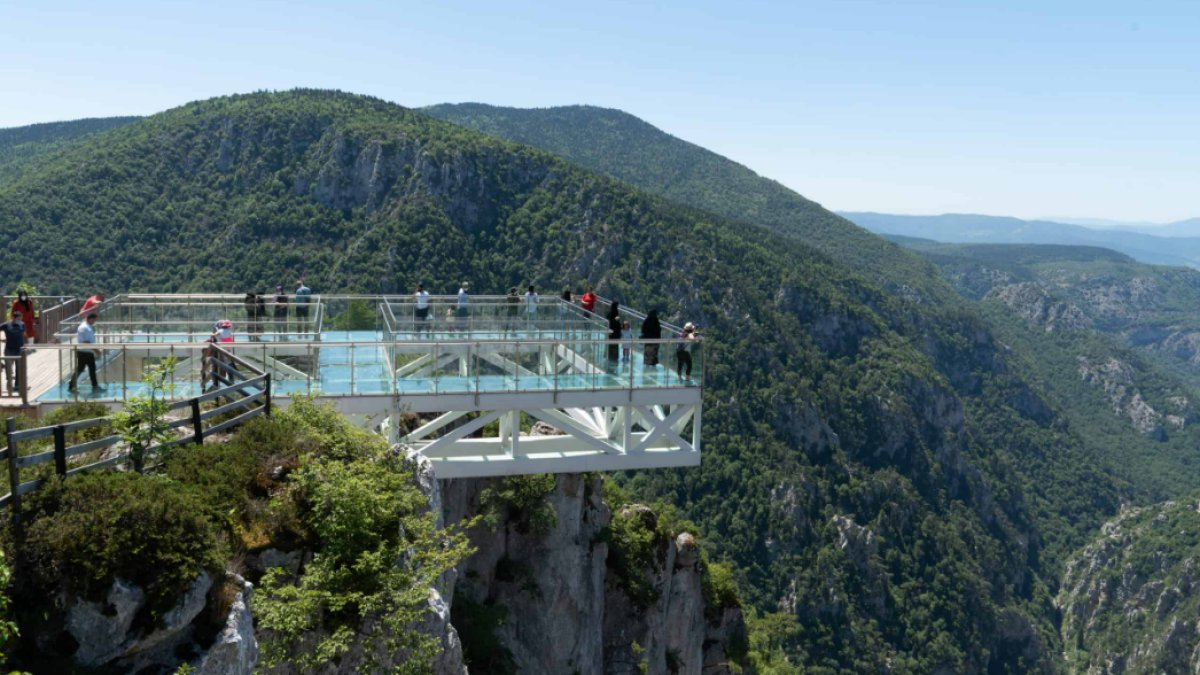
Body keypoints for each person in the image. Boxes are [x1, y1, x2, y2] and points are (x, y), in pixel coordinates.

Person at [68, 313, 103, 392]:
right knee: (81, 369)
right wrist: (96, 350)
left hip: (88, 351)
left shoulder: (88, 326)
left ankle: (94, 385)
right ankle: (72, 385)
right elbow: (86, 341)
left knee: (91, 369)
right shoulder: (84, 327)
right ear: (90, 319)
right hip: (84, 352)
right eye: (94, 320)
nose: (94, 322)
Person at [1, 310, 26, 395]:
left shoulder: (22, 324)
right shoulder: (6, 325)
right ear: (14, 317)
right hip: (9, 350)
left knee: (19, 368)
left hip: (19, 350)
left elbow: (22, 335)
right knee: (8, 368)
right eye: (19, 318)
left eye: (21, 318)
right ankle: (9, 383)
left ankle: (17, 385)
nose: (21, 320)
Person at [607, 301, 622, 367]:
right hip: (613, 333)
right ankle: (612, 358)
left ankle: (613, 358)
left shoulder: (613, 312)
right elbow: (609, 321)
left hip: (614, 333)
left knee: (614, 345)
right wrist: (615, 320)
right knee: (613, 345)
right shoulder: (612, 313)